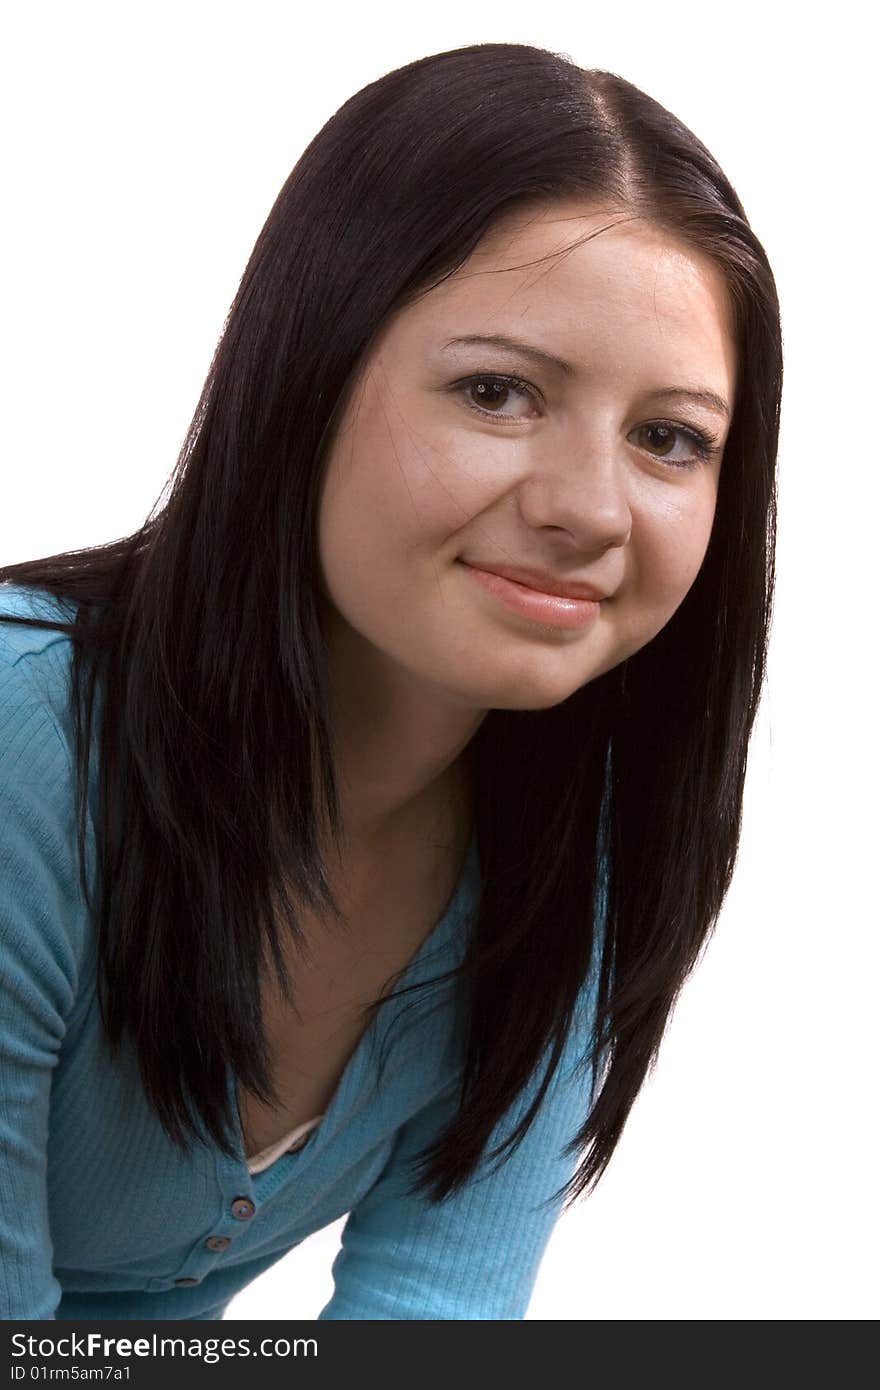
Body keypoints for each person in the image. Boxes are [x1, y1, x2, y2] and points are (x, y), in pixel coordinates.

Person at [0, 41, 780, 1321]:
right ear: (304, 377)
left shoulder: (569, 858)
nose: (591, 509)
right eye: (497, 391)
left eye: (667, 437)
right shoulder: (24, 742)